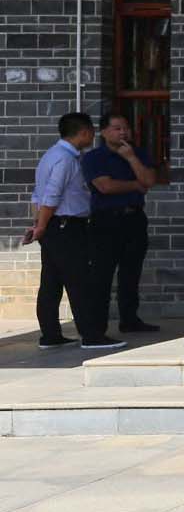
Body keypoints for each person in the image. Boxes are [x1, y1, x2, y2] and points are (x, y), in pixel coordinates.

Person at [31, 111, 108, 351]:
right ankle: (92, 336)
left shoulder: (51, 155)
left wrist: (39, 224)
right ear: (83, 132)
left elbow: (37, 195)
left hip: (54, 226)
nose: (93, 136)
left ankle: (50, 335)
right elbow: (51, 195)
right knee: (80, 281)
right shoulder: (65, 159)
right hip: (66, 226)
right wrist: (41, 226)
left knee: (51, 282)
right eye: (92, 131)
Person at [80, 110, 158, 335]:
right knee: (102, 275)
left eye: (126, 128)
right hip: (106, 221)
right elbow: (105, 186)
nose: (123, 132)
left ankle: (130, 320)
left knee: (131, 273)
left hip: (134, 218)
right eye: (117, 128)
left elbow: (149, 180)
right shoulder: (94, 157)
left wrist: (131, 158)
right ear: (104, 132)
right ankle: (96, 329)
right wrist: (134, 185)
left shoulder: (138, 154)